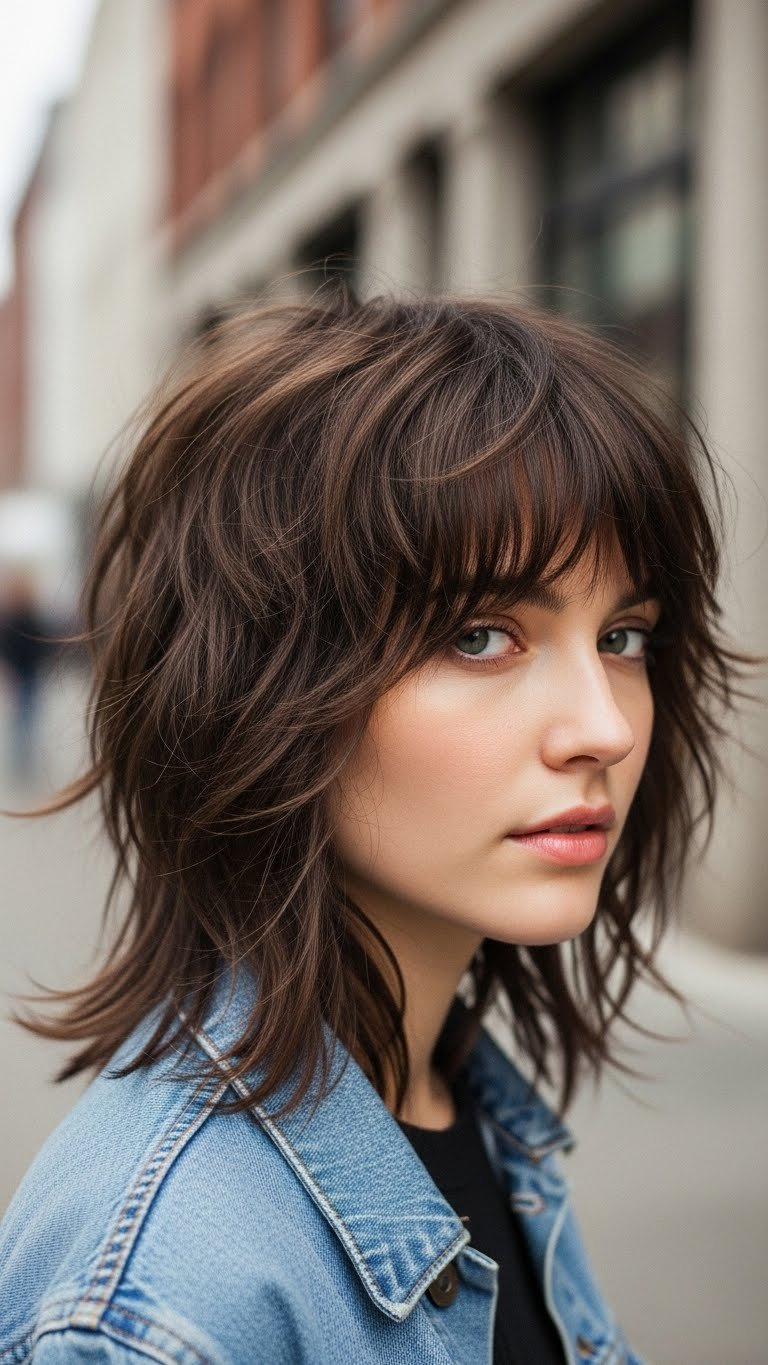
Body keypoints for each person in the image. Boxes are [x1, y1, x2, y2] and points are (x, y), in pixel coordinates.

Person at [0, 295, 746, 1364]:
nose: (603, 728)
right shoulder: (158, 1305)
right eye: (484, 636)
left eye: (624, 636)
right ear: (263, 686)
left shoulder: (456, 1102)